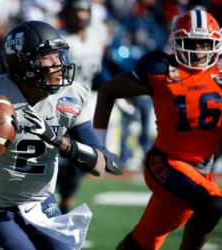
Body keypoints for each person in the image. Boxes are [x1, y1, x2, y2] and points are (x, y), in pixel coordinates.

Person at [0, 20, 122, 250]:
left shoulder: (72, 95)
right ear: (23, 63)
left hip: (41, 203)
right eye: (48, 56)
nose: (59, 63)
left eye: (58, 54)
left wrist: (58, 140)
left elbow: (97, 165)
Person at [93, 9, 222, 250]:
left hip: (199, 171)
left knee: (143, 241)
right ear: (175, 41)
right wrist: (99, 145)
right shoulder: (159, 70)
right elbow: (108, 89)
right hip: (165, 163)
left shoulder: (219, 75)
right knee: (213, 204)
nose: (198, 50)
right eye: (191, 43)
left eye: (205, 43)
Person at [57, 0, 110, 214]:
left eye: (84, 11)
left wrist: (113, 88)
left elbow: (100, 70)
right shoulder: (57, 37)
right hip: (59, 104)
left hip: (85, 105)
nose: (80, 16)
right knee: (59, 158)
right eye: (76, 10)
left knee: (83, 158)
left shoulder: (96, 36)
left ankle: (66, 201)